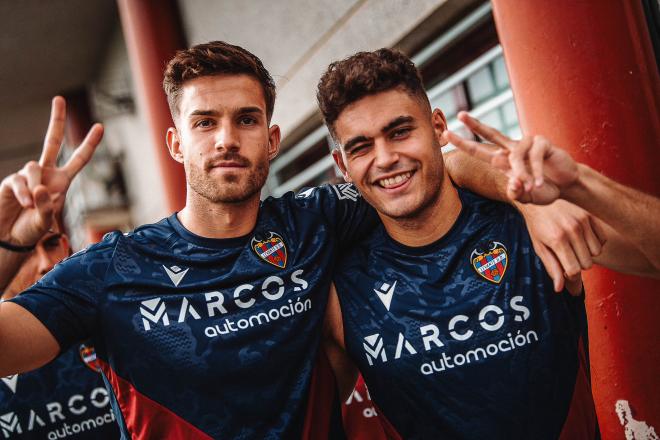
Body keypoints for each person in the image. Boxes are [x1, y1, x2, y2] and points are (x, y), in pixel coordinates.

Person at [0, 41, 605, 439]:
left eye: (246, 119)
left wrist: (524, 199)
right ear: (176, 143)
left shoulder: (318, 218)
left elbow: (427, 164)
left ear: (273, 138)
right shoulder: (113, 267)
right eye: (204, 122)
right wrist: (5, 247)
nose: (226, 139)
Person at [316, 48, 659, 440]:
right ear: (343, 166)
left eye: (400, 132)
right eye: (361, 147)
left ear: (439, 127)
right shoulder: (342, 291)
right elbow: (296, 415)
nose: (386, 158)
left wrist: (581, 186)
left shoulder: (530, 223)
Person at [0, 217, 119, 439]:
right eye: (23, 252)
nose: (45, 262)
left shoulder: (117, 323)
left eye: (51, 243)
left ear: (65, 245)